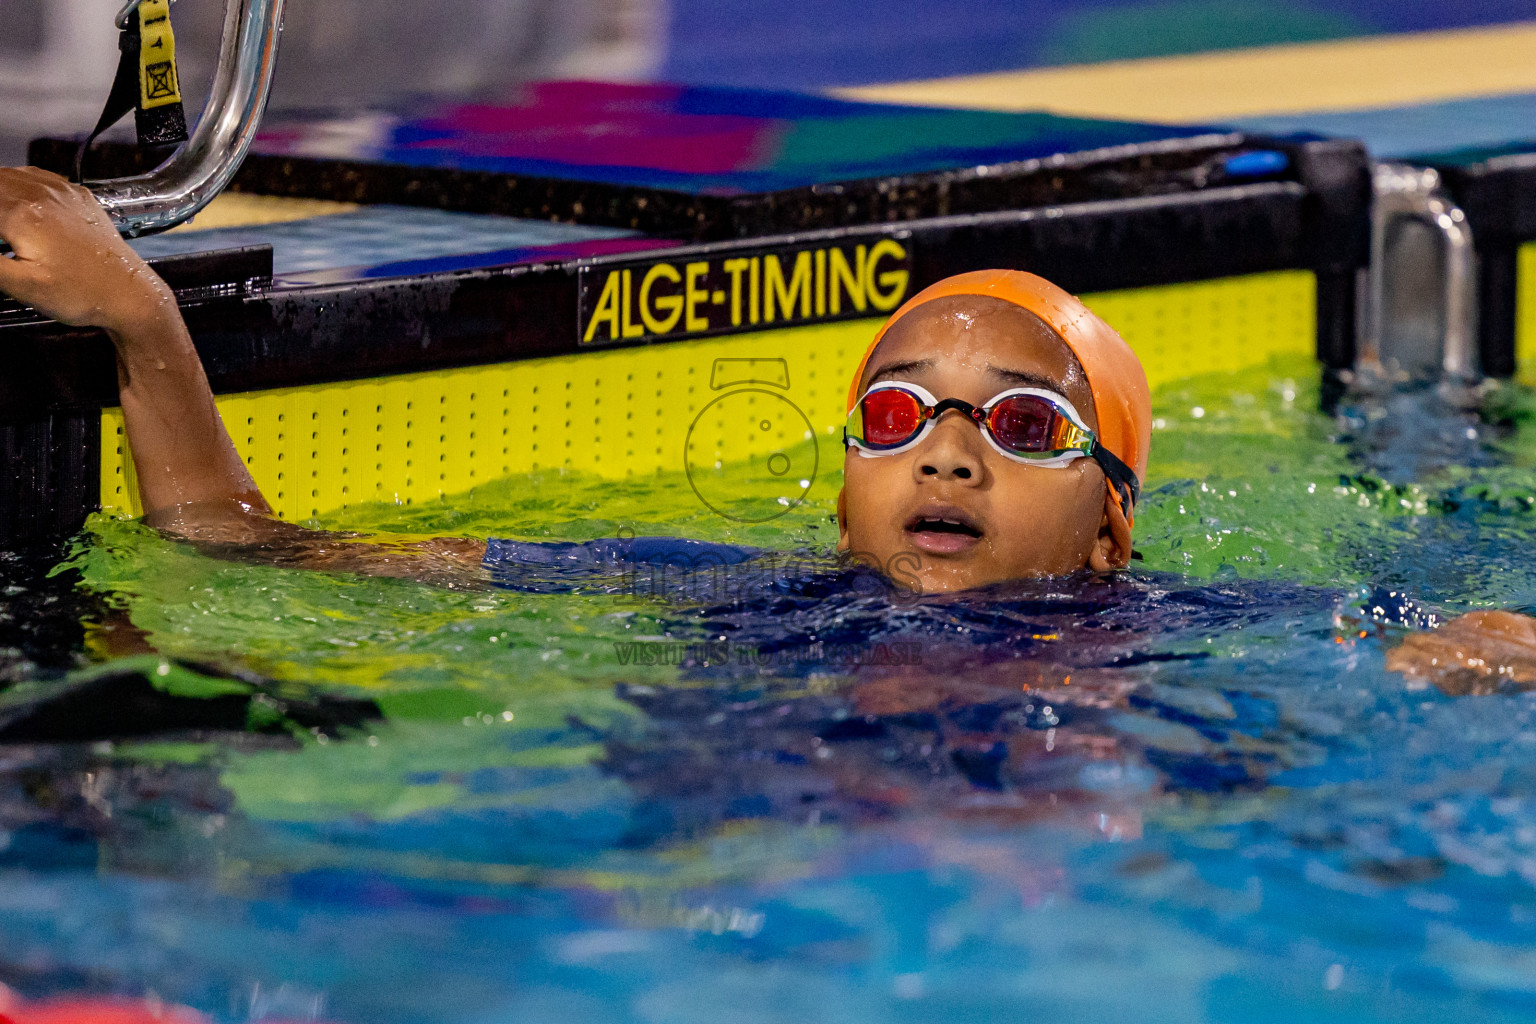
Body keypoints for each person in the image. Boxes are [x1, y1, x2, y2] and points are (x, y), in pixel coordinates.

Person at [0, 166, 1149, 593]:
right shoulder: (719, 593)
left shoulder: (1210, 641)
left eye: (1024, 423)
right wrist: (141, 316)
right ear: (842, 499)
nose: (948, 452)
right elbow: (242, 544)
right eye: (895, 415)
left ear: (1111, 527)